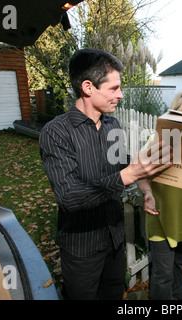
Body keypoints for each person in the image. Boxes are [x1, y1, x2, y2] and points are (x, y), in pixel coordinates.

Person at [39, 48, 172, 300]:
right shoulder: (56, 132)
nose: (120, 95)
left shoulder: (113, 125)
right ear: (88, 87)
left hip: (114, 238)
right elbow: (69, 196)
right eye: (114, 88)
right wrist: (128, 175)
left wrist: (146, 191)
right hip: (82, 247)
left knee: (112, 293)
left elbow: (124, 165)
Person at [136, 91, 182, 300]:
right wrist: (147, 192)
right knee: (162, 274)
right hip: (162, 218)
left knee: (177, 263)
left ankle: (178, 292)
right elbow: (140, 174)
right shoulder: (157, 140)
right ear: (174, 112)